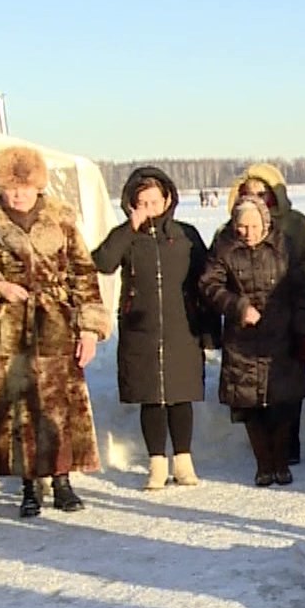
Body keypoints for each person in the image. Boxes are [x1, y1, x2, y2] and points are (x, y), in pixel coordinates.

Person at [0, 146, 110, 517]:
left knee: (60, 406)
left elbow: (84, 275)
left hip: (57, 324)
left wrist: (89, 328)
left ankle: (62, 480)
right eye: (11, 188)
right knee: (17, 410)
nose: (19, 195)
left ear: (38, 185)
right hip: (8, 332)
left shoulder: (62, 221)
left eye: (25, 187)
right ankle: (29, 484)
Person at [92, 167, 213, 489]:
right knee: (152, 399)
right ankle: (157, 463)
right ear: (131, 204)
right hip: (140, 327)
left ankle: (184, 461)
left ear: (168, 200)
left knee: (180, 395)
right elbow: (101, 262)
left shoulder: (186, 236)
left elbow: (208, 281)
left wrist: (210, 327)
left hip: (181, 325)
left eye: (154, 201)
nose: (149, 208)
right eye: (141, 202)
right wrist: (127, 229)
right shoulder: (127, 237)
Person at [201, 196, 305, 485]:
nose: (247, 233)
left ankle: (281, 460)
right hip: (243, 339)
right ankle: (263, 462)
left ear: (265, 223)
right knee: (249, 404)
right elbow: (209, 284)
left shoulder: (283, 245)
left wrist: (303, 331)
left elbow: (301, 290)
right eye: (241, 226)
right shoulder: (224, 246)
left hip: (282, 334)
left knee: (283, 402)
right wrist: (237, 306)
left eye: (253, 226)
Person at [230, 162, 305, 466]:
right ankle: (262, 446)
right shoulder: (231, 229)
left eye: (264, 193)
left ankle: (289, 444)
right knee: (249, 383)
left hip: (288, 317)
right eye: (250, 193)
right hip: (247, 322)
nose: (257, 199)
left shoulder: (296, 225)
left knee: (288, 383)